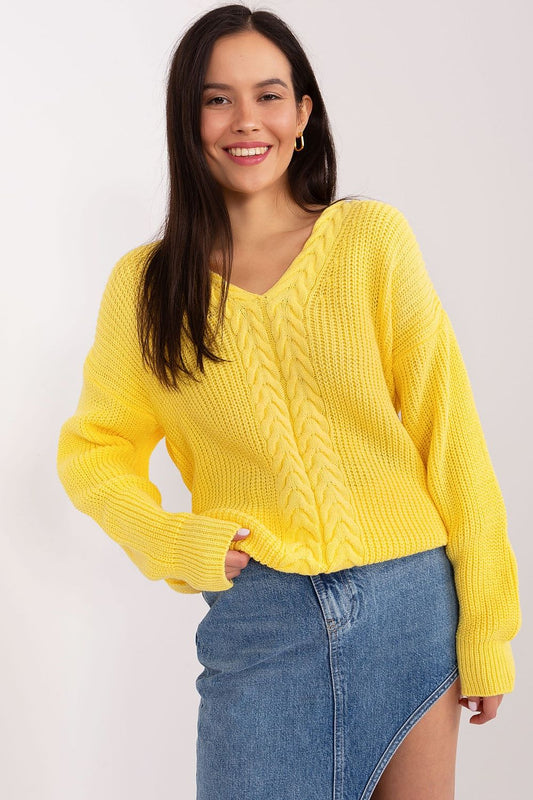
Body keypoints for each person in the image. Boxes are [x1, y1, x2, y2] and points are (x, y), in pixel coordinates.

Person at [56, 4, 521, 799]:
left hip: (409, 605)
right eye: (217, 98)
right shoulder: (145, 288)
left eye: (269, 95)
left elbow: (450, 435)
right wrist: (172, 541)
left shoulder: (370, 242)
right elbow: (93, 451)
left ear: (302, 114)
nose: (247, 120)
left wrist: (485, 625)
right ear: (188, 117)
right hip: (260, 625)